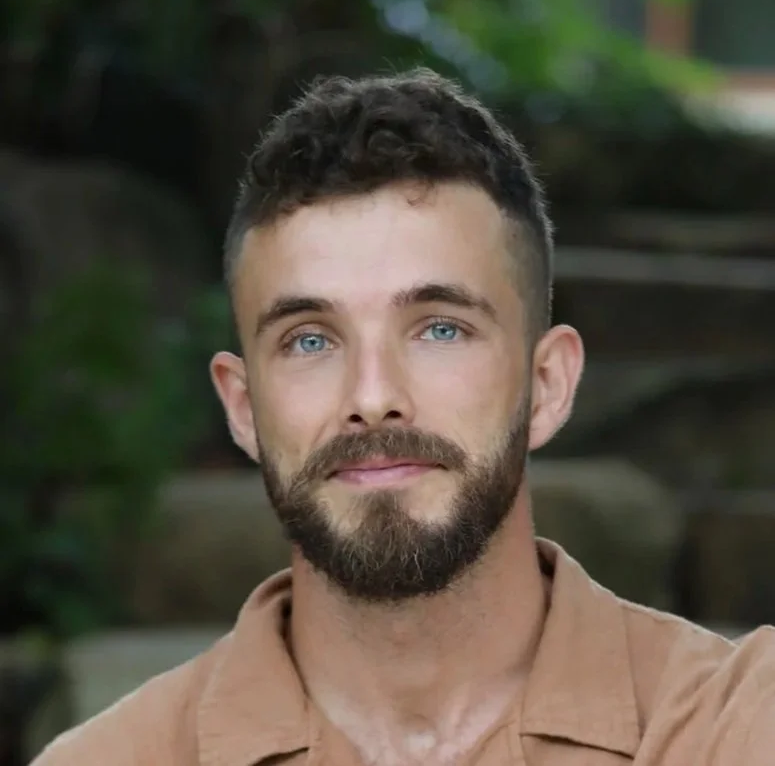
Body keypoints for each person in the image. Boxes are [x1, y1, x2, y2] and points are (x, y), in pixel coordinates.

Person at [33, 67, 775, 766]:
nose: (371, 393)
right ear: (242, 407)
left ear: (547, 383)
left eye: (438, 327)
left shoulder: (734, 725)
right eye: (310, 340)